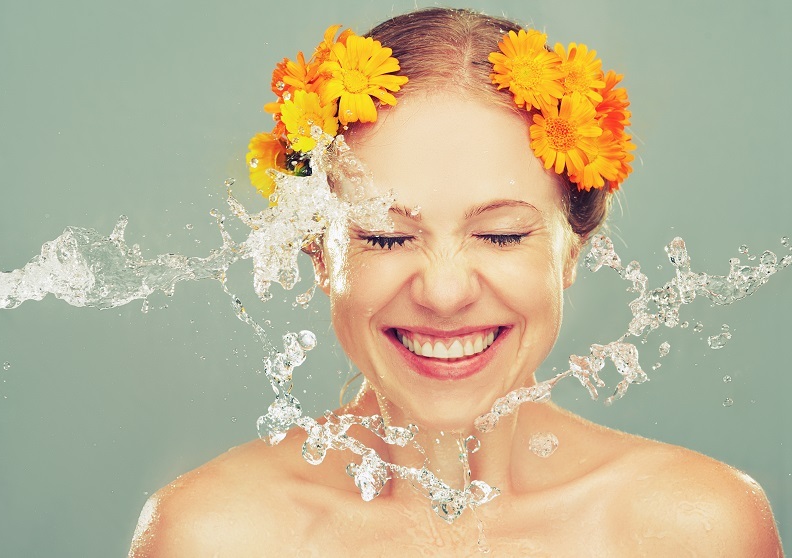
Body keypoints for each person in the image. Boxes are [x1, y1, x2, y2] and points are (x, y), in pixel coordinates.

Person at [129, 7, 783, 556]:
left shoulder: (694, 531)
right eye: (385, 236)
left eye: (500, 235)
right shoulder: (217, 536)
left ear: (571, 249)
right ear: (318, 249)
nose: (443, 295)